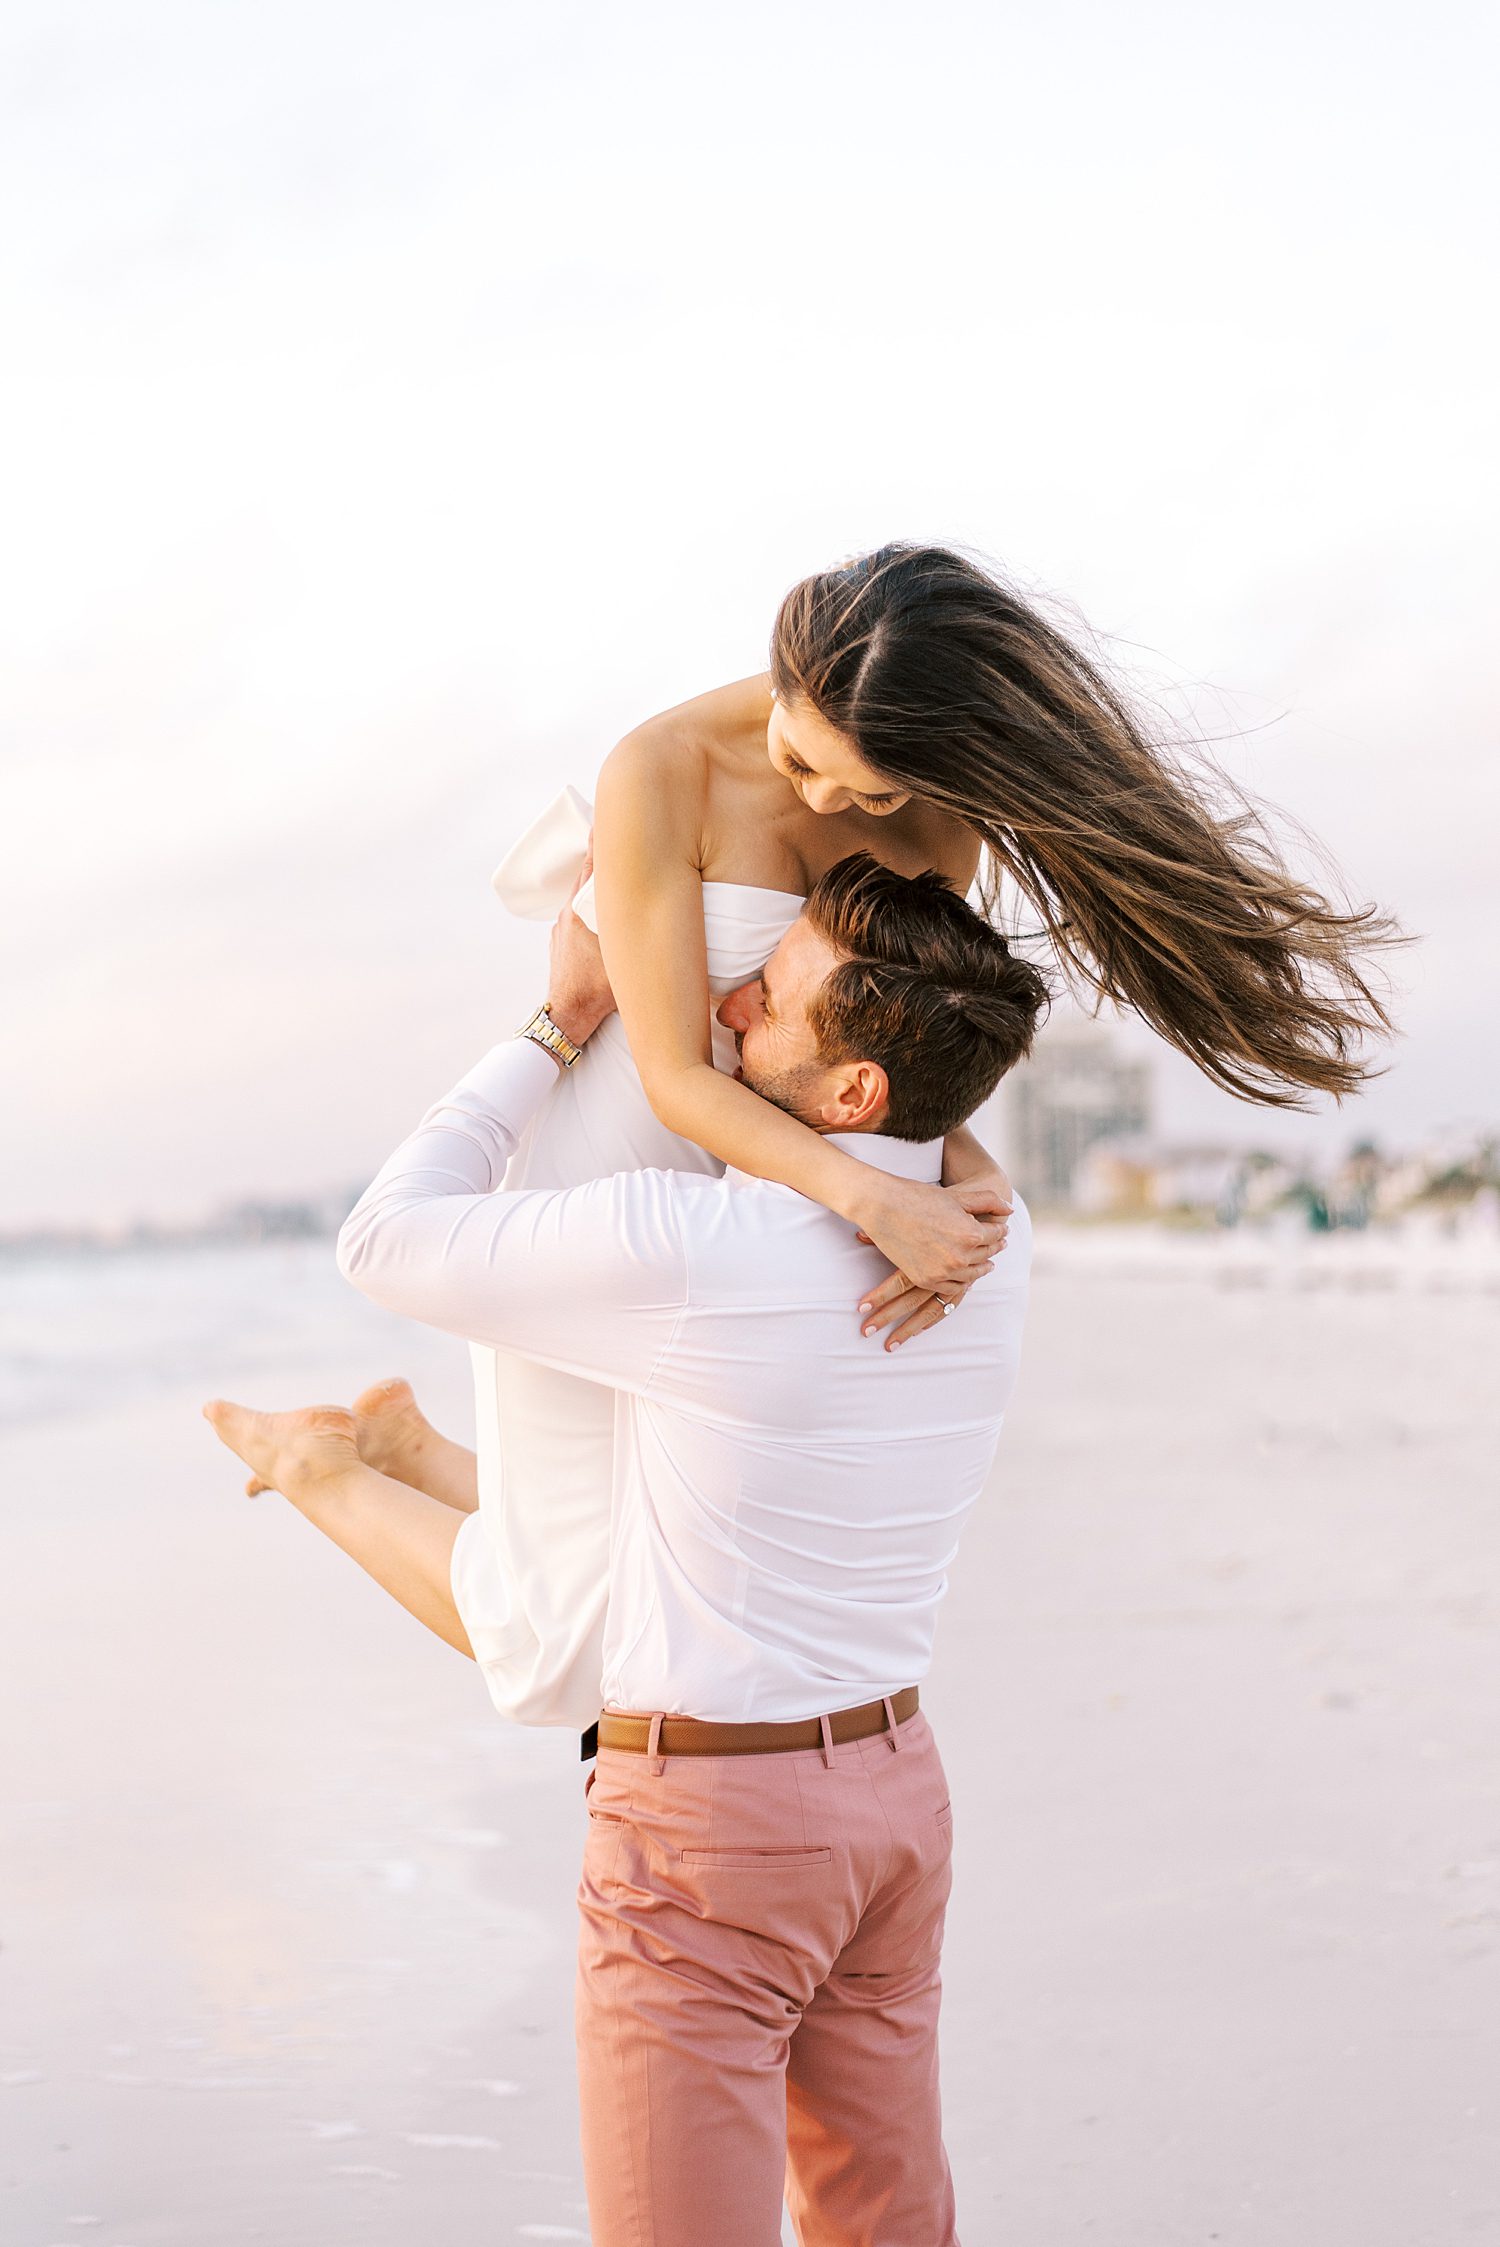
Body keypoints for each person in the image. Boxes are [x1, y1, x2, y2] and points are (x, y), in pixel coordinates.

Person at [204, 848, 1048, 2247]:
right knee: (885, 2221)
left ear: (852, 1092)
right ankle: (366, 1462)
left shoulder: (713, 1245)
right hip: (895, 1797)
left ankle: (329, 1468)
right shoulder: (991, 1243)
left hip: (716, 1836)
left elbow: (387, 1238)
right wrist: (952, 1142)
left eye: (768, 998)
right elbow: (926, 1127)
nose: (723, 1007)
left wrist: (560, 1024)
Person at [440, 542, 1402, 1733]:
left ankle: (394, 1455)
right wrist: (869, 1195)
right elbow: (677, 1071)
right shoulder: (663, 766)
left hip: (800, 1181)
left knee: (668, 1595)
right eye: (805, 763)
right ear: (780, 669)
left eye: (875, 794)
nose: (834, 805)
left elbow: (916, 1033)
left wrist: (961, 1159)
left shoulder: (944, 814)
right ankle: (336, 1461)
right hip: (631, 1157)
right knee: (554, 1652)